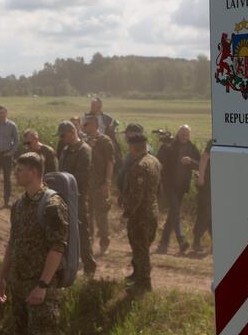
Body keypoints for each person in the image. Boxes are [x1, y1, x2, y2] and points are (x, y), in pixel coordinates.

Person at [0, 152, 68, 335]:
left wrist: (42, 285)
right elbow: (13, 242)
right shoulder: (19, 205)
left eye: (20, 170)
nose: (15, 174)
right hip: (18, 284)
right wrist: (2, 276)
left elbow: (57, 247)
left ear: (34, 172)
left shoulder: (52, 205)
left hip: (39, 286)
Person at [119, 130, 161, 292]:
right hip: (152, 211)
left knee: (140, 250)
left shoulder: (139, 166)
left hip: (140, 216)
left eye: (129, 146)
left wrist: (126, 214)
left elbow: (137, 196)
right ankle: (138, 276)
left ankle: (144, 284)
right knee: (142, 247)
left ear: (133, 147)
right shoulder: (154, 161)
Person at [57, 120, 97, 276]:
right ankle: (66, 266)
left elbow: (81, 176)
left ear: (72, 132)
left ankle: (89, 267)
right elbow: (60, 171)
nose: (61, 138)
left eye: (63, 135)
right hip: (63, 196)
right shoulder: (66, 150)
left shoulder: (84, 150)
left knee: (81, 232)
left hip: (78, 197)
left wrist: (64, 182)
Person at [156, 125, 201, 254]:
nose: (184, 136)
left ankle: (164, 242)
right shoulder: (170, 146)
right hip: (169, 184)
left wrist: (191, 161)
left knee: (173, 213)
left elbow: (200, 164)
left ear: (189, 136)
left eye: (186, 134)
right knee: (175, 210)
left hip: (182, 187)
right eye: (182, 133)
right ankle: (181, 240)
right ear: (178, 133)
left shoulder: (192, 148)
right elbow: (159, 160)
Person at [83, 115, 115, 255]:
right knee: (87, 215)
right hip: (86, 184)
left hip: (100, 184)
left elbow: (110, 162)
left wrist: (107, 182)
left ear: (95, 125)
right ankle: (88, 243)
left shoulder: (105, 141)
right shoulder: (83, 141)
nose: (85, 127)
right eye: (85, 125)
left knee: (101, 215)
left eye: (88, 124)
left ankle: (104, 242)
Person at [82, 97, 122, 170]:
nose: (92, 107)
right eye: (91, 105)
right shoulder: (86, 117)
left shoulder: (107, 118)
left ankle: (115, 169)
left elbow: (110, 131)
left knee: (114, 147)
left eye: (94, 105)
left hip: (104, 140)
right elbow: (83, 130)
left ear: (99, 107)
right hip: (90, 138)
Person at [192, 140, 213, 253]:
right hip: (207, 184)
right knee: (204, 213)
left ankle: (215, 244)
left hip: (220, 184)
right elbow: (204, 158)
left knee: (214, 215)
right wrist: (201, 177)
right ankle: (196, 241)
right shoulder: (213, 141)